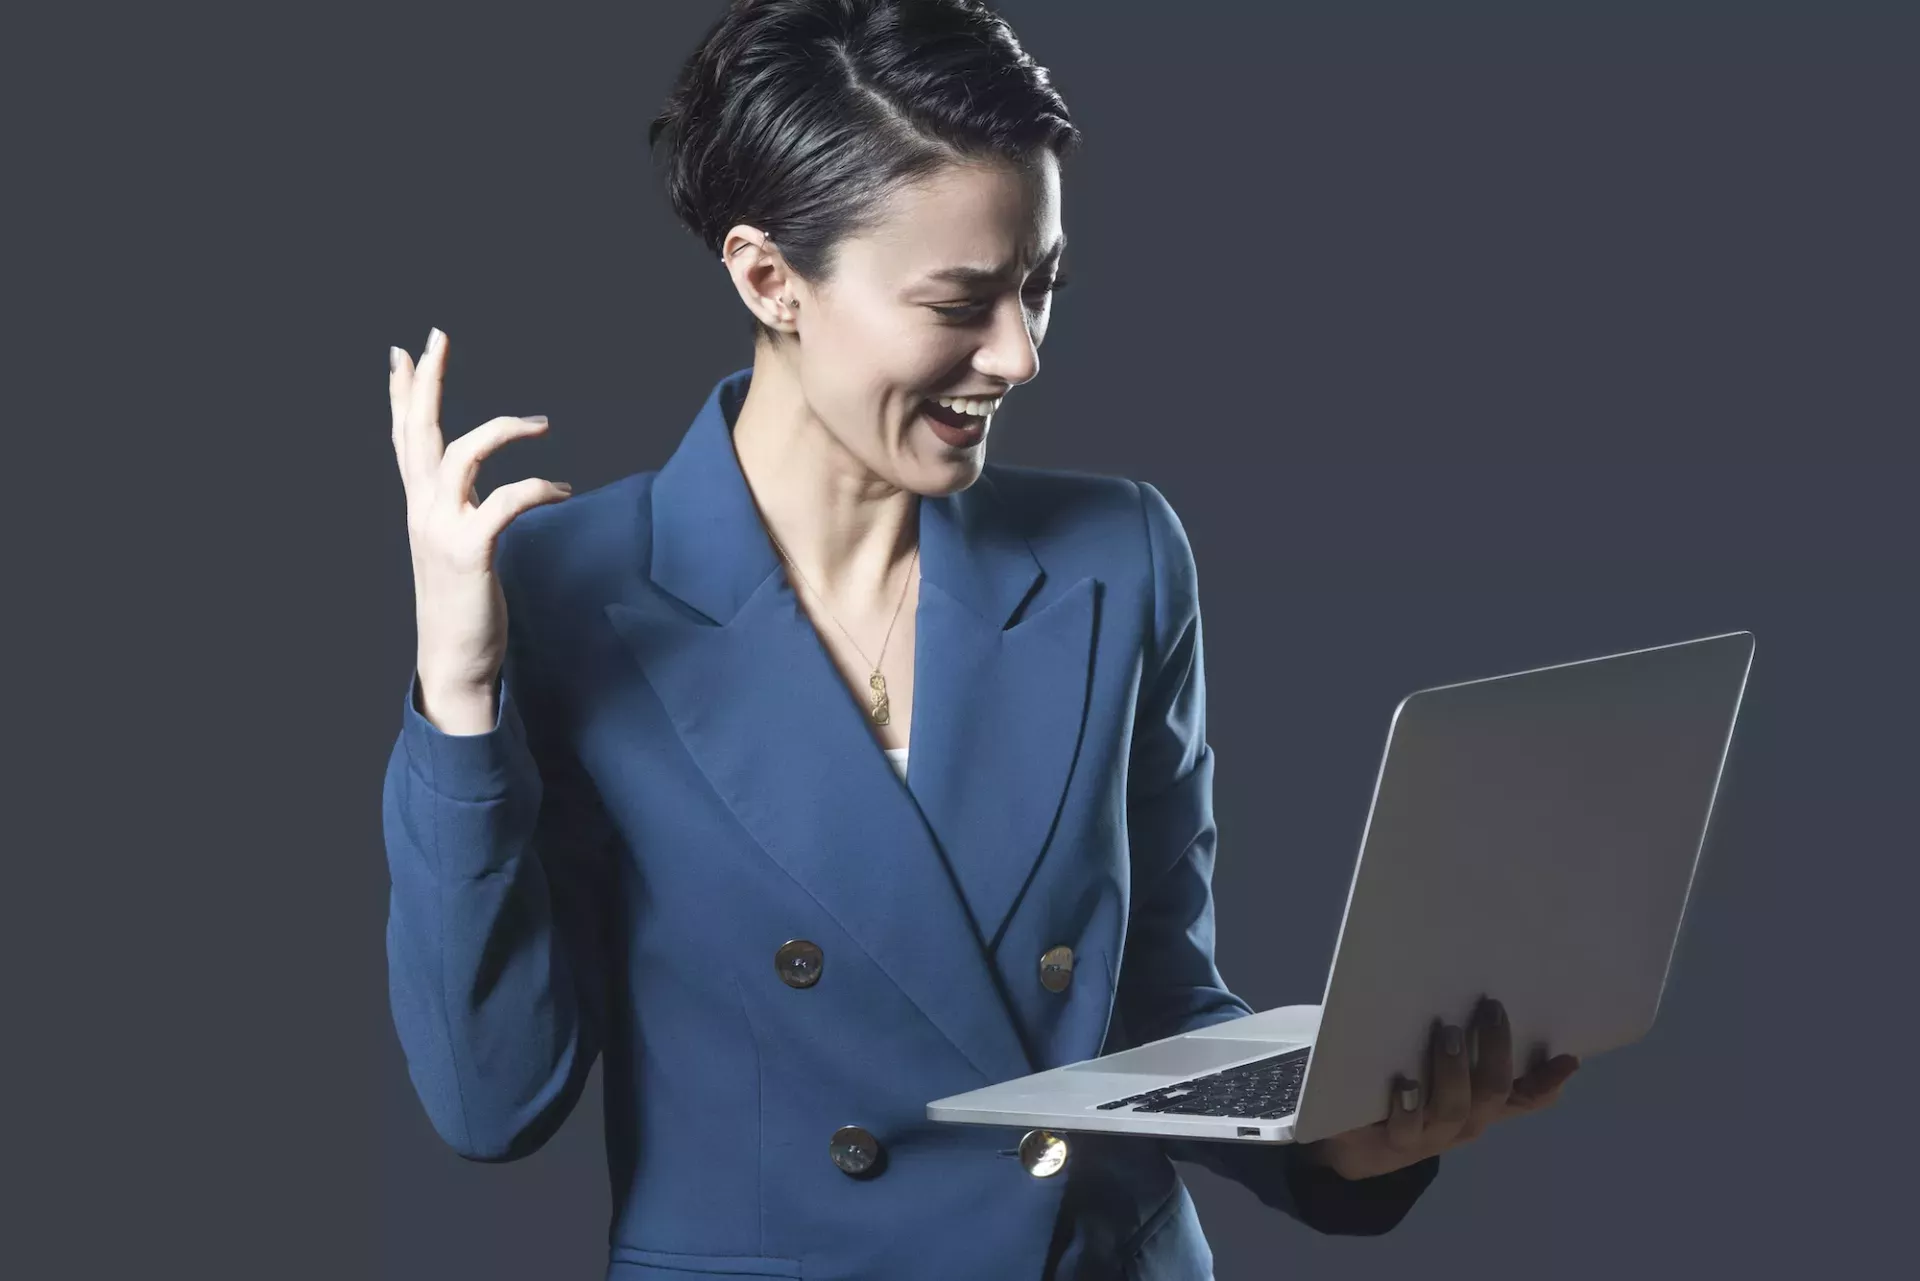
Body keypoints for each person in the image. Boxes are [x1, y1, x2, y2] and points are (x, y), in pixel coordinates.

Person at [381, 2, 1580, 1278]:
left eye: (1040, 285)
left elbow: (1159, 1003)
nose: (1018, 354)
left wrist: (1335, 1142)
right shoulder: (566, 589)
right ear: (769, 278)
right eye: (961, 301)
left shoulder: (1120, 553)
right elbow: (491, 1102)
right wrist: (460, 698)